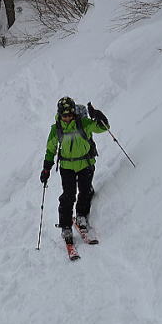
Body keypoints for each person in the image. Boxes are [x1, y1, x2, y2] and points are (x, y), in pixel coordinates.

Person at [39, 97, 110, 243]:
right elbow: (50, 150)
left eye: (70, 114)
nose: (67, 118)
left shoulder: (83, 124)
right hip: (67, 167)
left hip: (85, 163)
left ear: (74, 113)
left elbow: (104, 127)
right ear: (60, 114)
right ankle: (65, 226)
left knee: (85, 191)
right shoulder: (56, 129)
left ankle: (81, 216)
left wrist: (98, 115)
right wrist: (46, 168)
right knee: (69, 195)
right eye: (64, 115)